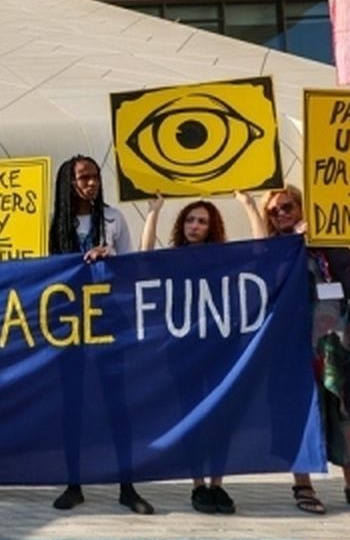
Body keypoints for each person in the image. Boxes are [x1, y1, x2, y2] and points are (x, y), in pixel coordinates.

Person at [244, 184, 350, 516]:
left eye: (287, 206)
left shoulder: (330, 241)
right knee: (303, 411)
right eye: (273, 211)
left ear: (301, 206)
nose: (282, 214)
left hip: (341, 340)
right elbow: (262, 262)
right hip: (298, 345)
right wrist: (247, 205)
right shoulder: (277, 248)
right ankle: (303, 485)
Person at [47, 155, 151, 515]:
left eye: (94, 177)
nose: (91, 183)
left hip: (110, 324)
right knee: (72, 406)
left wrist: (112, 258)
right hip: (71, 328)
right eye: (83, 178)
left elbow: (133, 268)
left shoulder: (114, 219)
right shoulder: (57, 225)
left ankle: (127, 486)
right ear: (68, 183)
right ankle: (73, 485)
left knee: (117, 405)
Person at [141, 194, 236, 514]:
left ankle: (218, 484)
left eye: (202, 221)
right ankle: (198, 485)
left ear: (212, 228)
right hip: (183, 351)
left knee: (221, 416)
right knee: (193, 416)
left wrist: (250, 207)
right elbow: (144, 258)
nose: (195, 226)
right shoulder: (173, 258)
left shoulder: (223, 258)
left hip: (218, 349)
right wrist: (154, 212)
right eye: (190, 220)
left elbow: (260, 253)